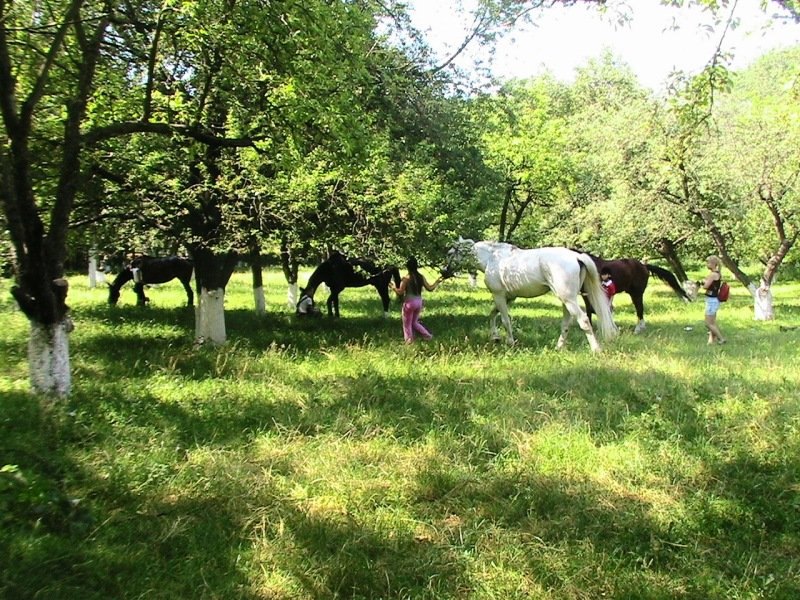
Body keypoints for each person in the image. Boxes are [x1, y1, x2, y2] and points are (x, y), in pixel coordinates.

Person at [390, 257, 443, 343]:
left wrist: (393, 287)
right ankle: (428, 336)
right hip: (419, 302)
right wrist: (437, 281)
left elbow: (400, 292)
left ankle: (409, 343)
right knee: (414, 322)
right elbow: (430, 288)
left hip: (409, 303)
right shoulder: (420, 277)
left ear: (407, 267)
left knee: (407, 324)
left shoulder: (406, 278)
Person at [701, 255, 726, 345]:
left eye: (708, 262)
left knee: (708, 323)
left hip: (711, 300)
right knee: (712, 322)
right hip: (714, 300)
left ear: (713, 264)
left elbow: (705, 286)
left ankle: (721, 338)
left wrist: (703, 282)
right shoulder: (717, 273)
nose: (707, 264)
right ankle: (711, 341)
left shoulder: (712, 275)